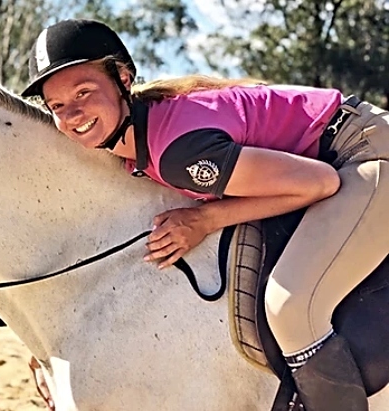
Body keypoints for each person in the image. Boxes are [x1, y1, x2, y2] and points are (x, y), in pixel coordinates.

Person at [22, 18, 389, 411]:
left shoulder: (178, 152)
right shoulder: (146, 134)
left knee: (290, 307)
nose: (73, 113)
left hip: (365, 153)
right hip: (344, 148)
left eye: (84, 92)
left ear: (123, 78)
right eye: (58, 106)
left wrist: (206, 220)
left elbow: (319, 183)